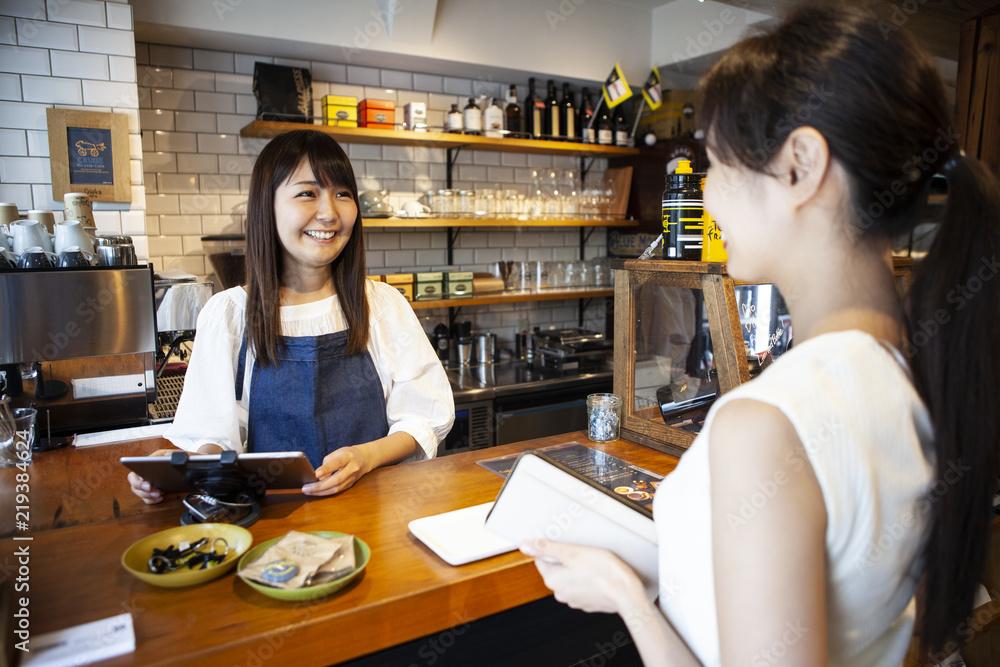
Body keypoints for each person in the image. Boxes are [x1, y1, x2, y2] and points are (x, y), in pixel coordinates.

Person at [520, 4, 1000, 666]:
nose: (706, 194)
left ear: (800, 164)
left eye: (718, 163)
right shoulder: (913, 370)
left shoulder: (767, 422)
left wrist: (629, 598)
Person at [130, 129, 454, 502]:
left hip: (373, 510)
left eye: (343, 194)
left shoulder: (382, 305)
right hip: (272, 517)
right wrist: (181, 467)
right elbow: (213, 438)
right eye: (307, 193)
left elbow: (423, 417)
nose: (329, 213)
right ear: (267, 206)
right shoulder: (229, 315)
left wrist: (365, 457)